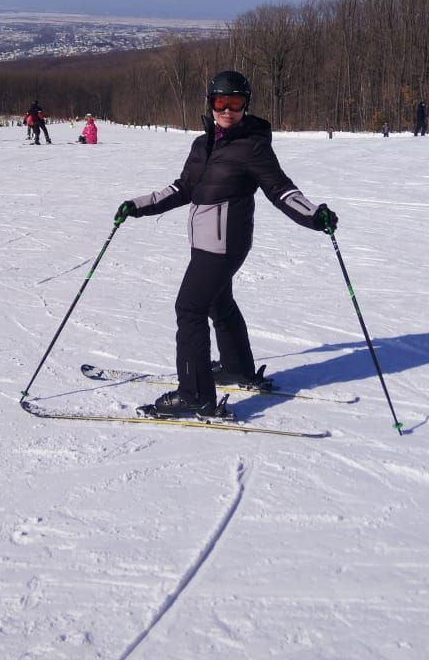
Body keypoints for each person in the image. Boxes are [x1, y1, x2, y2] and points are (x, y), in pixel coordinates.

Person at [114, 70, 338, 417]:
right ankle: (236, 367)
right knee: (219, 303)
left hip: (226, 244)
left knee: (189, 309)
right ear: (211, 103)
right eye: (221, 102)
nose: (228, 110)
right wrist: (138, 205)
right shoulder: (202, 145)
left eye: (236, 103)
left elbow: (281, 189)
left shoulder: (253, 146)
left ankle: (195, 395)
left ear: (246, 105)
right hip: (205, 242)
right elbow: (183, 187)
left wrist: (313, 214)